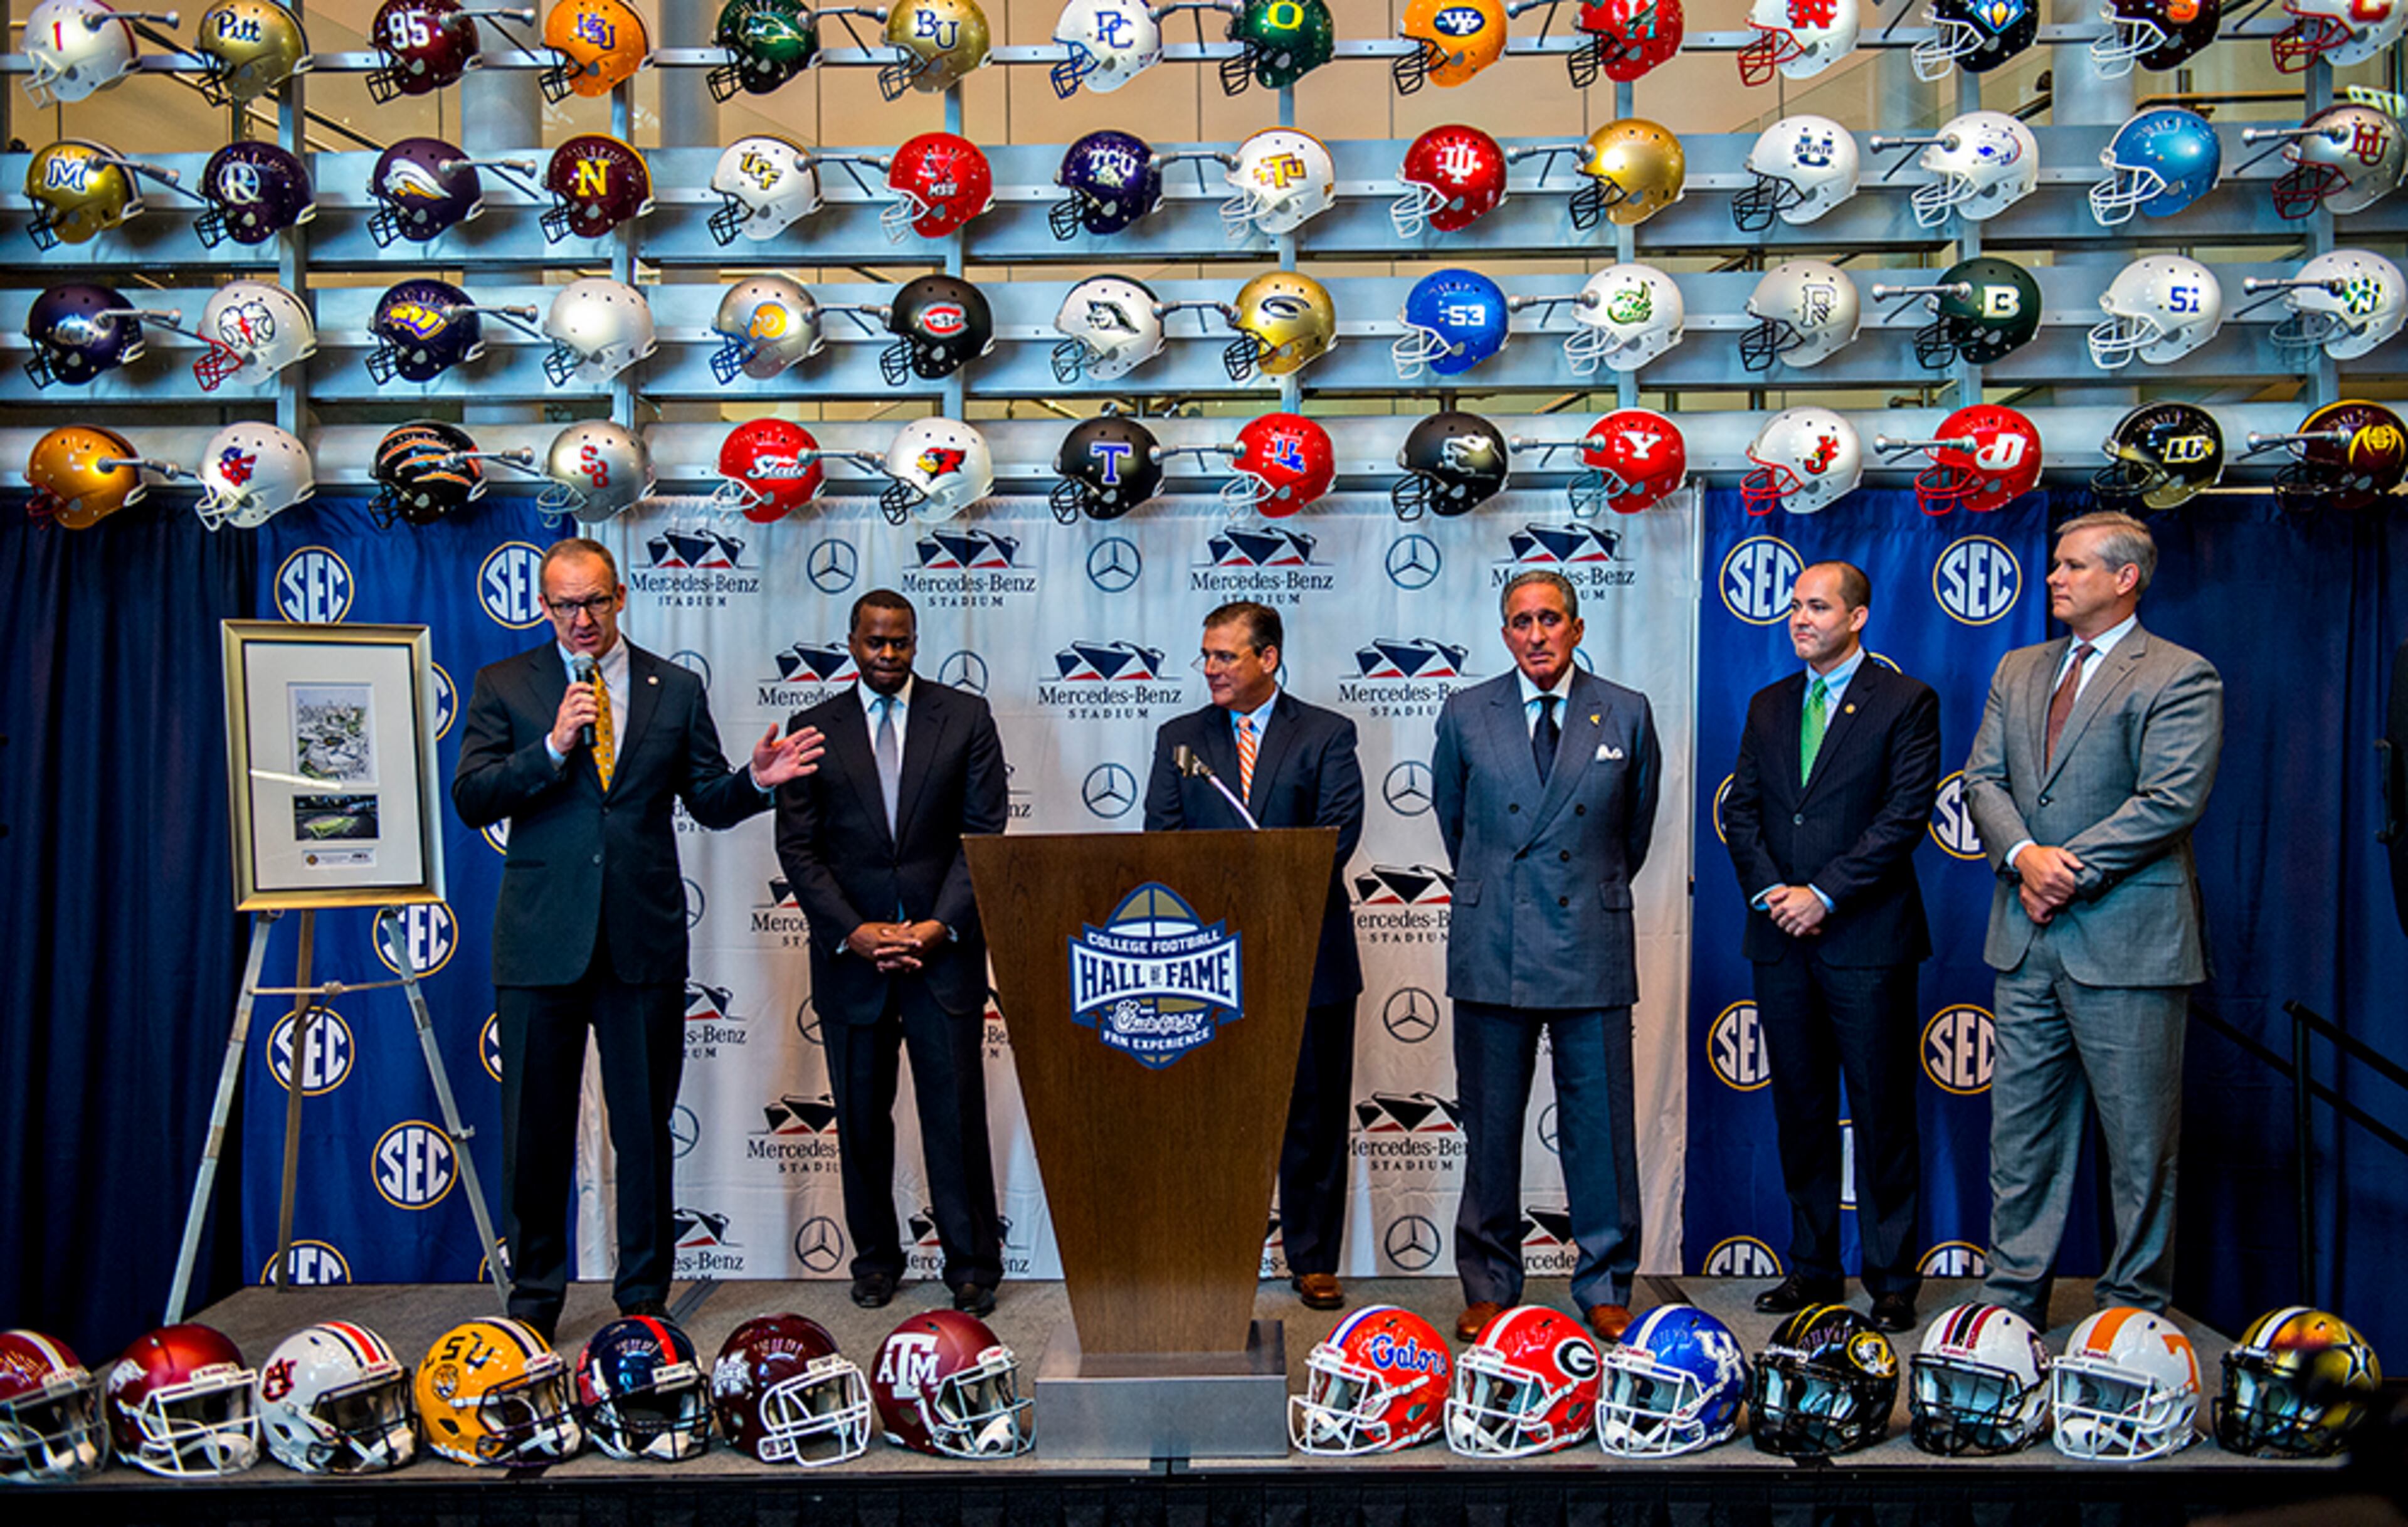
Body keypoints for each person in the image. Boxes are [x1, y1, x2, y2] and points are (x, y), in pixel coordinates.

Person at [452, 537, 823, 1345]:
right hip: (540, 942)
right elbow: (473, 797)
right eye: (563, 605)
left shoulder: (675, 685)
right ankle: (536, 1292)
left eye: (593, 601)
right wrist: (551, 746)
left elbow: (711, 799)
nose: (580, 619)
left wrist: (757, 780)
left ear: (621, 596)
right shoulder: (505, 684)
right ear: (543, 607)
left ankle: (645, 1291)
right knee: (535, 1126)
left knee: (644, 1125)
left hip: (642, 939)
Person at [1963, 510, 2222, 1327]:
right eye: (2056, 565)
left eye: (2073, 566)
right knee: (2021, 1137)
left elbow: (2170, 799)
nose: (2054, 577)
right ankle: (2011, 1300)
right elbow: (1983, 780)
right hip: (2027, 937)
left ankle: (2130, 1307)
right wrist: (2021, 858)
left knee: (2141, 1145)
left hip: (2129, 944)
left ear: (2125, 578)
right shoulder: (2019, 667)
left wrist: (2059, 869)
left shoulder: (2180, 674)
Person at [1433, 569, 1662, 1346]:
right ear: (1505, 633)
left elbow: (1631, 836)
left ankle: (1604, 1282)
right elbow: (1455, 823)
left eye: (1550, 619)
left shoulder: (1625, 710)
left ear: (1576, 626)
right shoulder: (1467, 711)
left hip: (1590, 947)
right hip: (1491, 940)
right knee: (1491, 1126)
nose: (1536, 633)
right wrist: (1503, 888)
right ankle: (1490, 1282)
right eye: (1520, 621)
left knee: (1598, 1128)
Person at [773, 589, 1010, 1316]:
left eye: (900, 642)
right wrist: (855, 930)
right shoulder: (812, 729)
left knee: (956, 1115)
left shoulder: (965, 717)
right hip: (854, 961)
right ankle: (875, 1257)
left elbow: (983, 833)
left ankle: (972, 1264)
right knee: (862, 1118)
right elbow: (799, 848)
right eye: (875, 642)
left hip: (943, 956)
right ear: (851, 642)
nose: (888, 654)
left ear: (916, 641)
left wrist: (937, 927)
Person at [1722, 561, 1941, 1334]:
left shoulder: (1906, 700)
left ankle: (1888, 1278)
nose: (1800, 618)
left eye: (1817, 606)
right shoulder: (1769, 703)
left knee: (1882, 1112)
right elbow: (1741, 811)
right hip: (1780, 938)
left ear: (1857, 617)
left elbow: (1905, 814)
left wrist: (1825, 892)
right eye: (1794, 606)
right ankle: (1813, 1268)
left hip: (1867, 939)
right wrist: (1776, 892)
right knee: (1802, 1110)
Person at [1143, 601, 1365, 1312]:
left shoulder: (1326, 734)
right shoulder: (1180, 737)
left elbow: (1334, 837)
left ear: (1267, 658)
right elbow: (1163, 837)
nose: (1210, 668)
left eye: (1226, 656)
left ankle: (1313, 1259)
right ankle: (1215, 1254)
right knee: (1215, 1118)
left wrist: (1258, 897)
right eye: (1205, 656)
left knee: (1313, 1114)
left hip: (1309, 953)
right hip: (1205, 961)